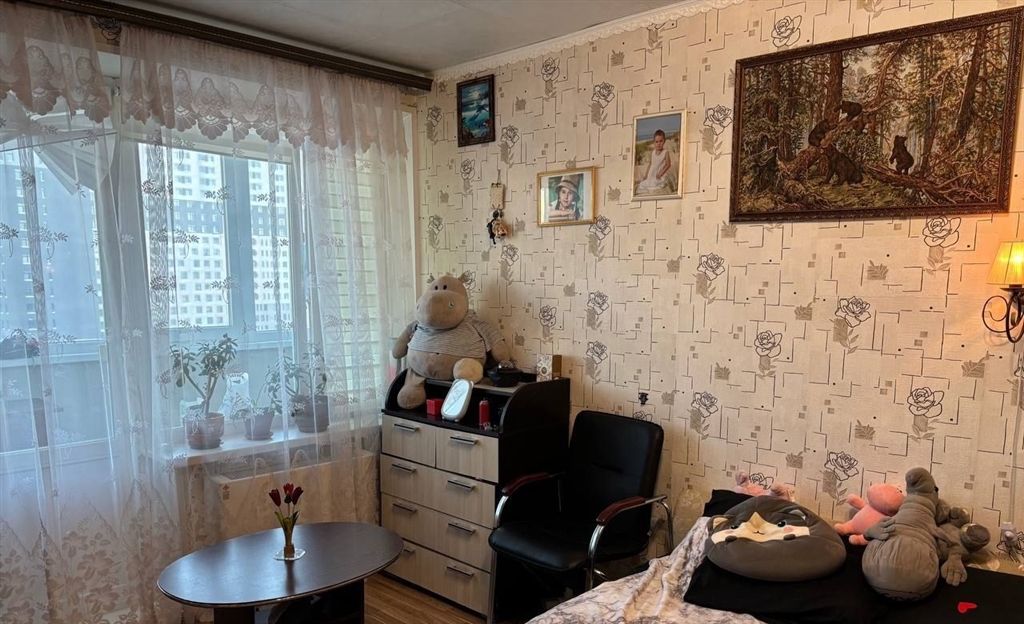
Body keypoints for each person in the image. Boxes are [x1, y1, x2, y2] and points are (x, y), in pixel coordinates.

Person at [635, 129, 674, 195]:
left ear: (664, 141)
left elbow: (668, 164)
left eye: (661, 141)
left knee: (655, 184)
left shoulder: (665, 152)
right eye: (656, 142)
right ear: (654, 143)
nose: (659, 143)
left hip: (658, 175)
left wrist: (661, 173)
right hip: (651, 174)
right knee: (644, 184)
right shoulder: (653, 152)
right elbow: (650, 164)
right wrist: (646, 175)